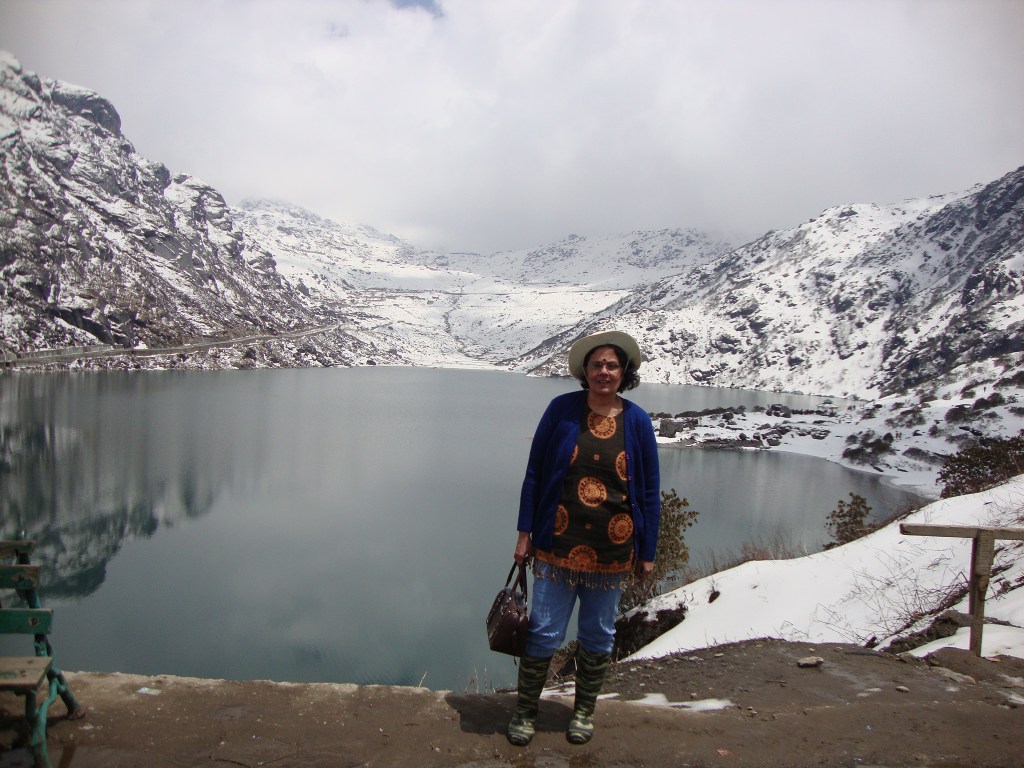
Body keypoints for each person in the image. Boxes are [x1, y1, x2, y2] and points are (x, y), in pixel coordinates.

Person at [508, 330, 661, 746]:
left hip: (612, 553)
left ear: (624, 372)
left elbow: (649, 492)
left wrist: (647, 551)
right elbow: (535, 474)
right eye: (597, 365)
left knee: (597, 634)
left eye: (612, 365)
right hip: (555, 546)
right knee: (543, 631)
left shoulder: (637, 421)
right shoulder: (561, 410)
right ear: (585, 371)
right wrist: (524, 534)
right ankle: (525, 712)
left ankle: (583, 714)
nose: (604, 372)